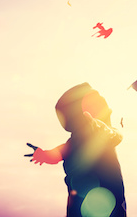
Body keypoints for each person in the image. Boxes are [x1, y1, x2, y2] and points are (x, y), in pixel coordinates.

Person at [25, 82, 127, 217]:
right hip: (88, 205)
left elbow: (115, 136)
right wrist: (45, 155)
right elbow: (58, 153)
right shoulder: (80, 141)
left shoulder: (101, 136)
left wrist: (102, 130)